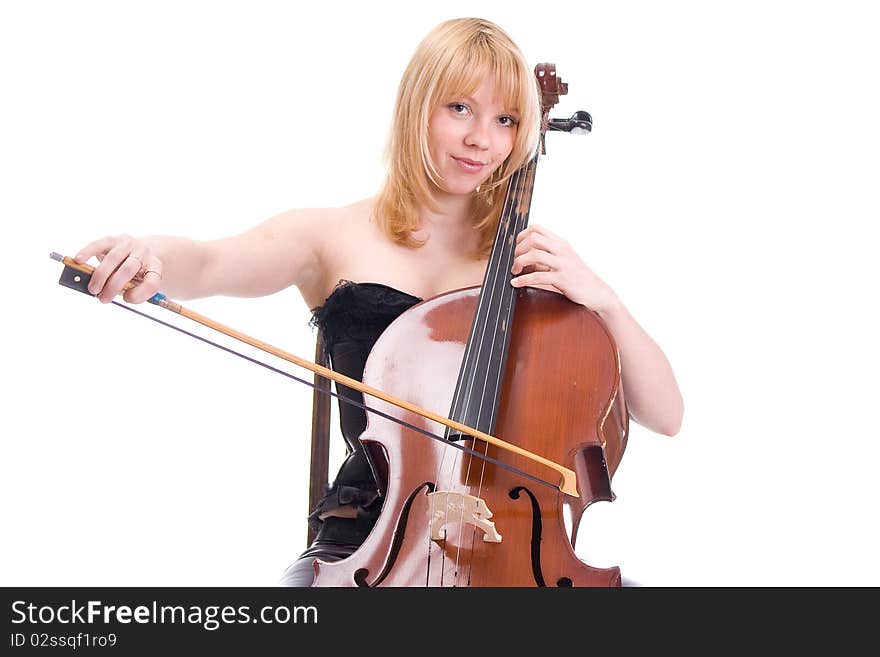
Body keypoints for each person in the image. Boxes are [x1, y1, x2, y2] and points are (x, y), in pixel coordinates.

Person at [73, 17, 683, 586]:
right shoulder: (331, 236)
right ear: (418, 106)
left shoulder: (529, 270)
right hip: (371, 536)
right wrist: (147, 253)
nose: (481, 140)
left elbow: (666, 414)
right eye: (460, 108)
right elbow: (206, 262)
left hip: (515, 541)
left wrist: (603, 301)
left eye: (506, 121)